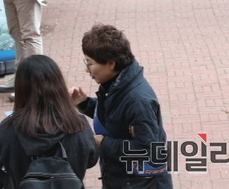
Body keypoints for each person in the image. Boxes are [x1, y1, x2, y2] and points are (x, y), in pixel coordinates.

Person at [70, 24, 173, 189]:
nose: (87, 69)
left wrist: (104, 144)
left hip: (142, 183)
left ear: (110, 64)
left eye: (90, 63)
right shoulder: (116, 84)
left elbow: (147, 149)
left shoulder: (138, 100)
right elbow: (116, 115)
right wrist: (84, 103)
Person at [0, 55, 98, 188]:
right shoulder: (77, 124)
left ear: (20, 88)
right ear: (59, 84)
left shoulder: (10, 127)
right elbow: (91, 160)